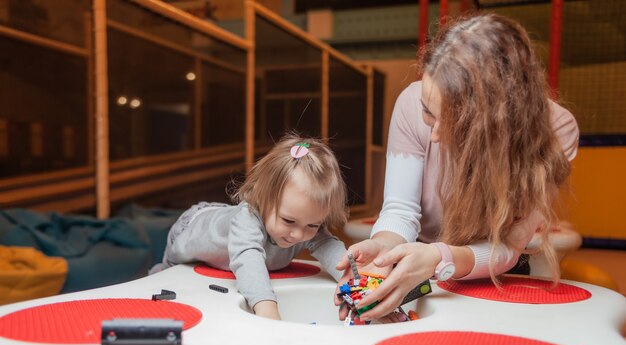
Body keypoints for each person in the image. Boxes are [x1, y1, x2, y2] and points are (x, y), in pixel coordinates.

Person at [335, 13, 579, 322]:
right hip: (418, 256)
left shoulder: (556, 131)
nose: (434, 136)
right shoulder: (410, 103)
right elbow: (399, 210)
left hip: (495, 266)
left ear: (496, 122)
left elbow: (508, 246)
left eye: (455, 124)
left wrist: (441, 257)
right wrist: (382, 250)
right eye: (428, 112)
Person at [151, 134, 348, 320]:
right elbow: (248, 260)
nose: (298, 234)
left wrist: (351, 278)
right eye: (288, 221)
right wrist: (267, 309)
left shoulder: (300, 219)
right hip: (192, 227)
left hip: (225, 218)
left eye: (313, 225)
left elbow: (328, 245)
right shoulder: (248, 219)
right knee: (169, 277)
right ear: (263, 199)